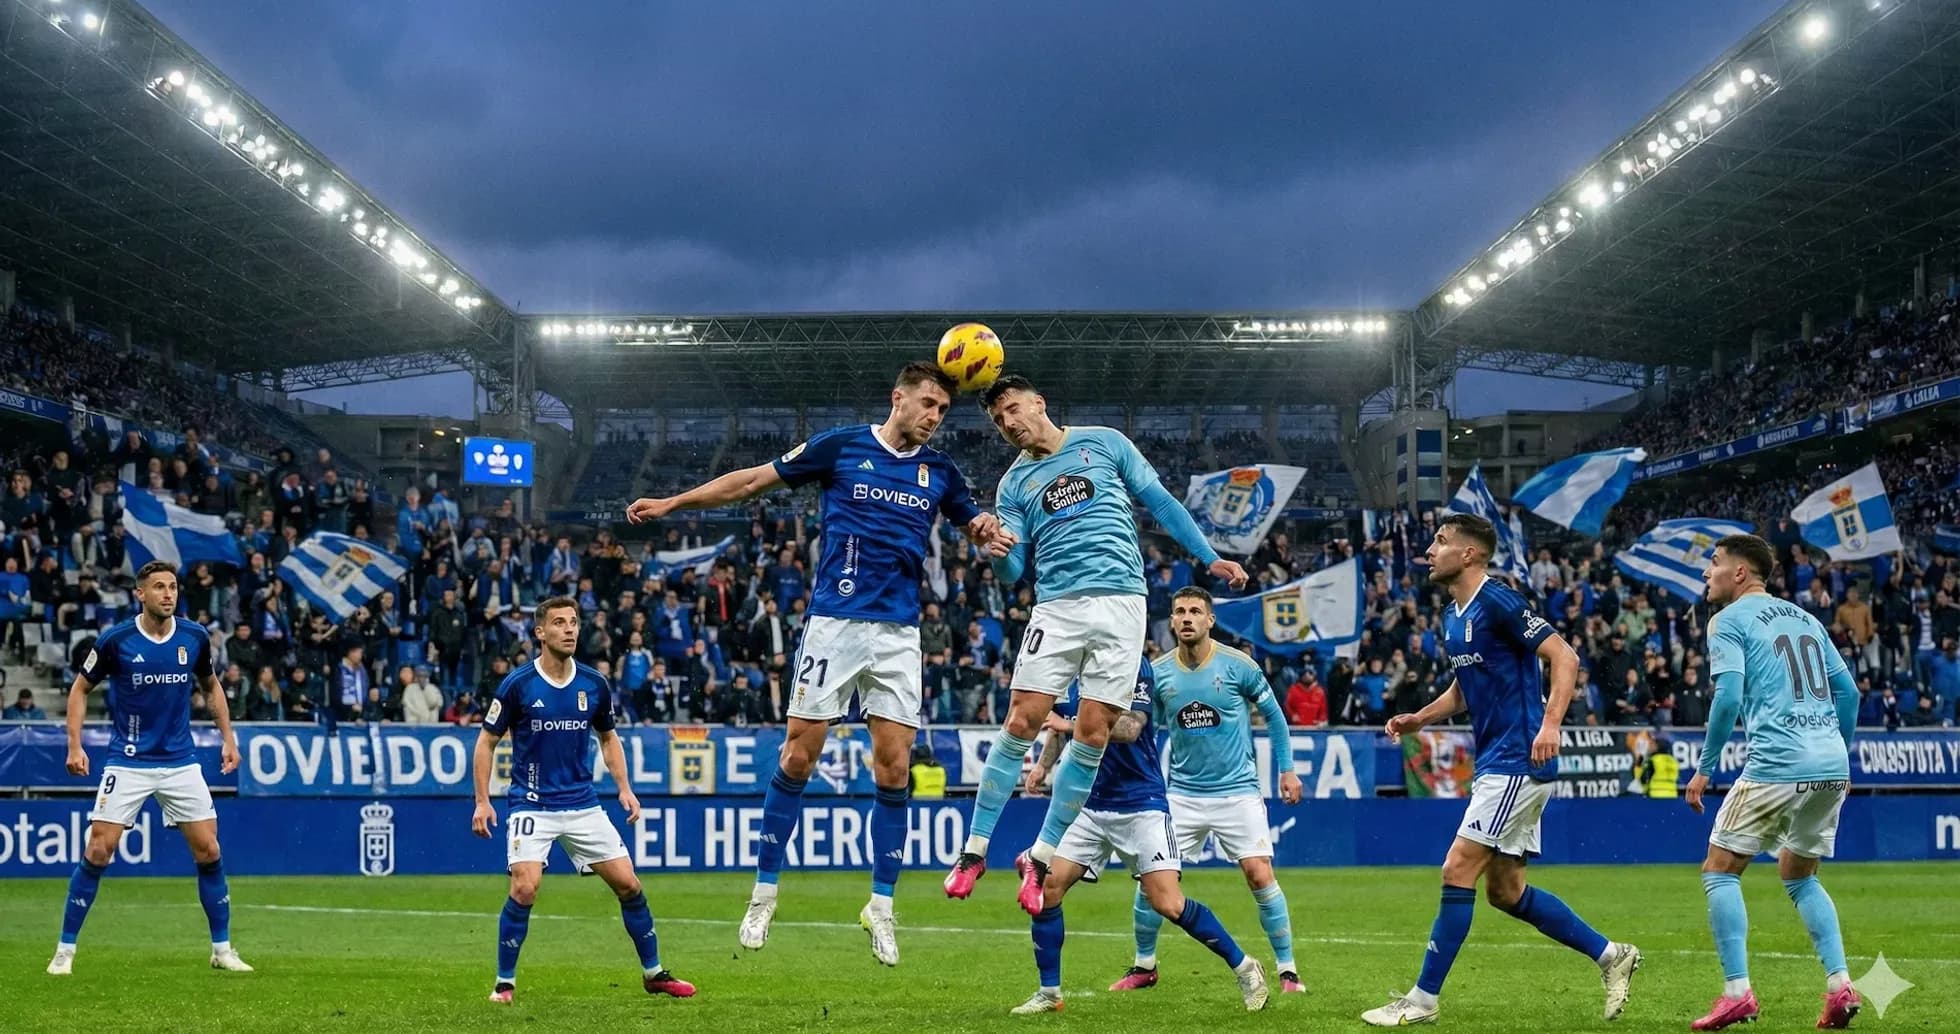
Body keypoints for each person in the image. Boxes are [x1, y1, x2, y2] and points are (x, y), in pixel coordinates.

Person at [626, 362, 1005, 966]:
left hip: (900, 634)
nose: (934, 417)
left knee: (894, 768)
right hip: (836, 624)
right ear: (898, 398)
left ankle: (880, 908)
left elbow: (976, 522)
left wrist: (985, 528)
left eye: (942, 409)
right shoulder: (841, 446)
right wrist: (675, 501)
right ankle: (763, 894)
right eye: (927, 403)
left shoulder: (942, 473)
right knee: (799, 756)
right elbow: (753, 481)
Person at [946, 374, 1248, 916]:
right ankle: (974, 851)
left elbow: (1160, 501)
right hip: (1057, 607)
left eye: (1013, 410)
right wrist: (994, 548)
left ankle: (1040, 858)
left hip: (1121, 606)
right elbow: (1015, 571)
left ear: (1039, 403)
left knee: (1093, 732)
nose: (1009, 423)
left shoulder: (1103, 442)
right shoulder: (1014, 485)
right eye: (998, 420)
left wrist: (1210, 557)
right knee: (1021, 719)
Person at [1363, 514, 1639, 1027]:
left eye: (1440, 542)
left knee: (1456, 869)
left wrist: (1551, 724)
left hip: (1518, 757)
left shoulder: (1499, 600)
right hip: (1499, 759)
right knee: (1505, 891)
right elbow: (1466, 688)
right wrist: (1420, 717)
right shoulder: (1453, 615)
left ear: (1469, 554)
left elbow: (1565, 656)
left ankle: (1422, 1000)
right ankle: (1611, 955)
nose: (1429, 551)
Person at [1012, 655, 1268, 1015]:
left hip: (1140, 805)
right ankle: (1049, 992)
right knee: (1046, 889)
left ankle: (1245, 967)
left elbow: (1130, 728)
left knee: (1168, 903)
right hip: (1088, 805)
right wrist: (1042, 766)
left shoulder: (1133, 663)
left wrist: (1070, 726)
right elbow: (1057, 725)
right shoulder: (1071, 663)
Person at [471, 596, 692, 1004]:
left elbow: (609, 738)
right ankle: (504, 983)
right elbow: (486, 742)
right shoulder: (518, 684)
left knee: (629, 885)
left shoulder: (594, 683)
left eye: (574, 622)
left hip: (583, 804)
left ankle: (654, 973)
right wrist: (483, 801)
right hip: (532, 803)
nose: (570, 629)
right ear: (540, 632)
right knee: (525, 888)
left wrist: (625, 788)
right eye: (559, 623)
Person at [1685, 534, 1861, 1030]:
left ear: (1740, 573)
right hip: (1829, 763)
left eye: (1714, 563)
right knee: (1800, 875)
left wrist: (1705, 766)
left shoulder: (1728, 621)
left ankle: (1737, 992)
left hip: (1778, 761)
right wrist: (1837, 752)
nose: (1707, 573)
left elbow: (1727, 698)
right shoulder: (1805, 618)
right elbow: (1847, 693)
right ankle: (1840, 985)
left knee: (1719, 869)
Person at [48, 560, 249, 976]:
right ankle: (64, 952)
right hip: (130, 760)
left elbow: (211, 687)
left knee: (210, 850)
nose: (168, 594)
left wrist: (229, 739)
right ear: (140, 594)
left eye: (172, 586)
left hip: (180, 761)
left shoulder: (194, 637)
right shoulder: (117, 639)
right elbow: (80, 688)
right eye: (158, 587)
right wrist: (75, 744)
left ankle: (222, 949)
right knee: (98, 850)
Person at [1115, 587, 1305, 993]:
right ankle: (1143, 966)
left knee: (1259, 874)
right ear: (1171, 620)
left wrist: (1287, 771)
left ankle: (1288, 970)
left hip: (1238, 791)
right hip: (1181, 794)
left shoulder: (1239, 666)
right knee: (1152, 879)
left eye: (1195, 611)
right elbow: (1142, 731)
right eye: (1180, 611)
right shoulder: (1158, 671)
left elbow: (1274, 716)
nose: (1186, 618)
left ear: (1209, 620)